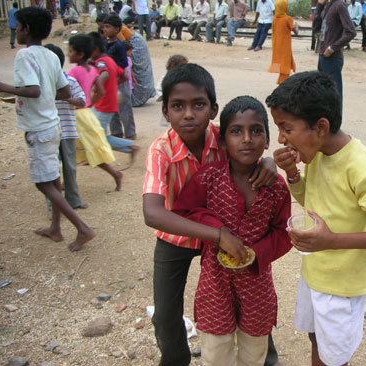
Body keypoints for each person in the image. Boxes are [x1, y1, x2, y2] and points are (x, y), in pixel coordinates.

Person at [142, 63, 280, 366]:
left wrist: (268, 162)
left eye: (198, 105)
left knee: (250, 294)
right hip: (179, 235)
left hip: (226, 235)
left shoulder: (226, 136)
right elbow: (152, 214)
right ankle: (176, 359)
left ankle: (266, 358)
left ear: (213, 109)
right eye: (178, 106)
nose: (189, 114)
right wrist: (217, 234)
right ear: (165, 112)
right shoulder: (160, 150)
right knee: (165, 313)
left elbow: (251, 144)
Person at [267, 70, 366, 366]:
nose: (280, 138)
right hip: (316, 272)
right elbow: (311, 201)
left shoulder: (361, 167)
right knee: (316, 337)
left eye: (286, 128)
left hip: (343, 283)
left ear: (320, 127)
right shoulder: (317, 155)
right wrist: (292, 174)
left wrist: (331, 241)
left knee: (334, 356)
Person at [171, 96, 292, 366]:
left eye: (256, 131)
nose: (247, 139)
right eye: (236, 131)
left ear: (267, 140)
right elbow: (184, 212)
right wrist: (217, 230)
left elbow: (284, 233)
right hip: (215, 282)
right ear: (223, 142)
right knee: (216, 351)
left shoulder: (276, 188)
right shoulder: (209, 178)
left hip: (257, 283)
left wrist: (255, 253)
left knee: (254, 350)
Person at [0, 7, 95, 251]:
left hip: (38, 128)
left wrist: (2, 86)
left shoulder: (25, 56)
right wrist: (40, 98)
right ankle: (55, 228)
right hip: (52, 125)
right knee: (53, 177)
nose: (17, 31)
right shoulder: (51, 56)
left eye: (18, 27)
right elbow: (64, 92)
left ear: (26, 29)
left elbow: (33, 90)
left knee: (43, 183)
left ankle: (82, 228)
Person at [67, 34, 124, 192]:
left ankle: (67, 181)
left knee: (69, 150)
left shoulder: (74, 72)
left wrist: (70, 101)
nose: (68, 54)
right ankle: (115, 174)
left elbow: (65, 91)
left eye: (70, 51)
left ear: (80, 54)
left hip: (76, 116)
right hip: (86, 113)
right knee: (90, 149)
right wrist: (89, 103)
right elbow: (100, 90)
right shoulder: (92, 69)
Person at [43, 43, 88, 210]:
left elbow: (82, 101)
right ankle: (53, 204)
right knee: (52, 169)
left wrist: (65, 97)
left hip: (67, 131)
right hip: (48, 131)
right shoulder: (41, 84)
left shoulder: (69, 81)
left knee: (69, 168)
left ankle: (73, 200)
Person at [88, 31, 140, 162]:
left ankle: (129, 146)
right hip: (105, 103)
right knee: (91, 130)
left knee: (99, 136)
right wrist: (111, 84)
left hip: (104, 104)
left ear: (94, 49)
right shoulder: (108, 60)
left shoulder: (101, 63)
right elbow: (124, 76)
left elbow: (104, 74)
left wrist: (98, 86)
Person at [97, 14, 156, 107]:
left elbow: (123, 46)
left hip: (133, 44)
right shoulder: (109, 38)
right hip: (131, 44)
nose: (104, 30)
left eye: (106, 27)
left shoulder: (117, 38)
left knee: (140, 70)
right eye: (103, 28)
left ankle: (139, 95)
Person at [313, 0, 356, 113]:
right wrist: (320, 5)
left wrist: (332, 48)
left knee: (334, 93)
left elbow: (351, 31)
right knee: (322, 92)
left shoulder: (339, 5)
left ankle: (335, 125)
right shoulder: (327, 6)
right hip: (323, 56)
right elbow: (316, 28)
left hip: (332, 57)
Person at [102, 15, 137, 140]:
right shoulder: (104, 44)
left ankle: (130, 132)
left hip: (119, 80)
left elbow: (123, 64)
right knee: (112, 107)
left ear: (116, 29)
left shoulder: (119, 45)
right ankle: (116, 131)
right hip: (107, 81)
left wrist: (114, 72)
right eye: (104, 27)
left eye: (108, 27)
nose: (105, 29)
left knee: (124, 107)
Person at [268, 0, 298, 84]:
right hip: (285, 45)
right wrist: (296, 25)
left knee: (281, 63)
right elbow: (296, 32)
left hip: (276, 45)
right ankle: (282, 83)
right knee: (285, 64)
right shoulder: (287, 19)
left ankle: (282, 81)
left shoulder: (274, 18)